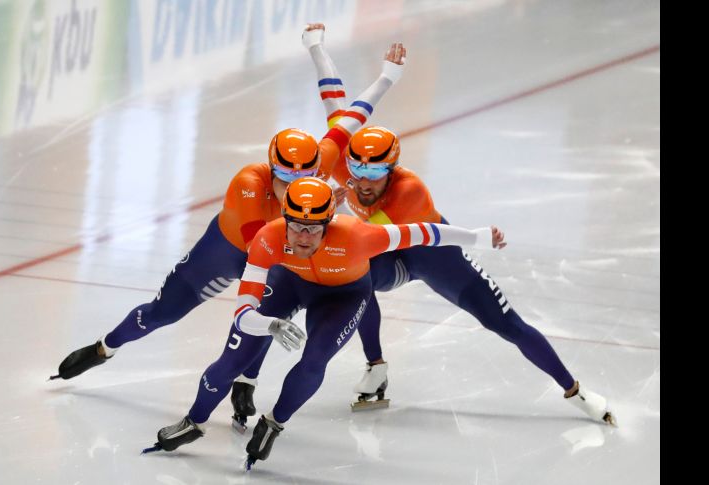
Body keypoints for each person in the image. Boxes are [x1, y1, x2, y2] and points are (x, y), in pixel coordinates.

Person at [230, 23, 615, 428]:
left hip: (432, 252)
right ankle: (373, 366)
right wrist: (317, 48)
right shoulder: (345, 167)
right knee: (346, 281)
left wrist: (477, 238)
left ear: (391, 171)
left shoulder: (409, 191)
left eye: (373, 175)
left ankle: (575, 390)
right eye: (355, 170)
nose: (362, 183)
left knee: (504, 323)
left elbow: (404, 235)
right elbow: (335, 101)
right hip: (386, 249)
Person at [49, 40, 409, 381]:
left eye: (306, 176)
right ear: (271, 168)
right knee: (163, 313)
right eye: (286, 176)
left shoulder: (317, 168)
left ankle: (246, 382)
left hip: (275, 252)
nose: (297, 183)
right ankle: (105, 347)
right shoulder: (249, 182)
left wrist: (387, 77)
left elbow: (350, 119)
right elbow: (259, 244)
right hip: (226, 251)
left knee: (269, 316)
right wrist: (323, 210)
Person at [144, 176, 506, 470]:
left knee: (315, 359)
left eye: (313, 229)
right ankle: (194, 420)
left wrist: (477, 238)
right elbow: (243, 312)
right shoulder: (268, 239)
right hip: (290, 283)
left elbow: (427, 233)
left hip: (344, 296)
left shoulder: (359, 236)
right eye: (296, 227)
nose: (303, 238)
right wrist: (269, 325)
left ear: (328, 224)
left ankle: (274, 423)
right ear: (284, 220)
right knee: (234, 358)